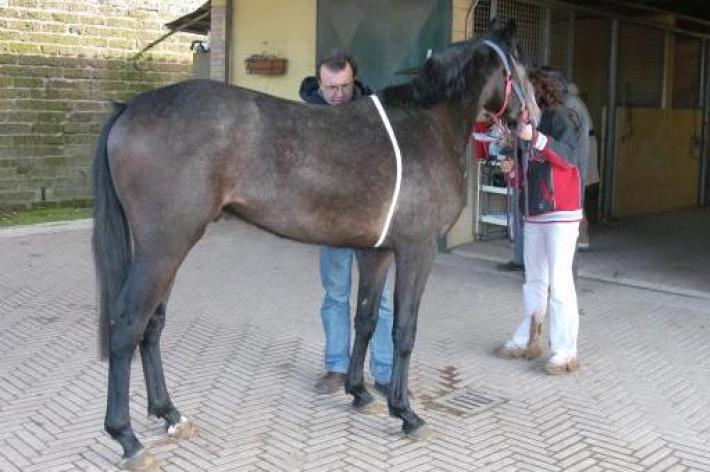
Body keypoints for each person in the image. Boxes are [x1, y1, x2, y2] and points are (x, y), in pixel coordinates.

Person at [298, 50, 394, 394]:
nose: (338, 94)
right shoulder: (307, 115)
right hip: (332, 221)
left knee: (380, 298)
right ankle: (337, 368)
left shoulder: (373, 111)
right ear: (318, 83)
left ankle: (384, 373)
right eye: (330, 87)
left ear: (354, 80)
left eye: (344, 86)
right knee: (335, 295)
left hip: (371, 222)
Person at [497, 68, 583, 375]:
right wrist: (513, 171)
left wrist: (538, 139)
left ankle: (565, 349)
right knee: (534, 279)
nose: (524, 97)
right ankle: (530, 337)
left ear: (543, 90)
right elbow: (530, 167)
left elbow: (568, 158)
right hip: (536, 211)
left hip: (560, 211)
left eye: (529, 90)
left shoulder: (562, 118)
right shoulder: (529, 123)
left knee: (559, 280)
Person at [563, 82, 598, 250]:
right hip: (588, 143)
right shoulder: (576, 103)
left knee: (577, 189)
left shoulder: (570, 104)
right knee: (578, 188)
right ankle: (580, 235)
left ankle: (582, 235)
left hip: (583, 146)